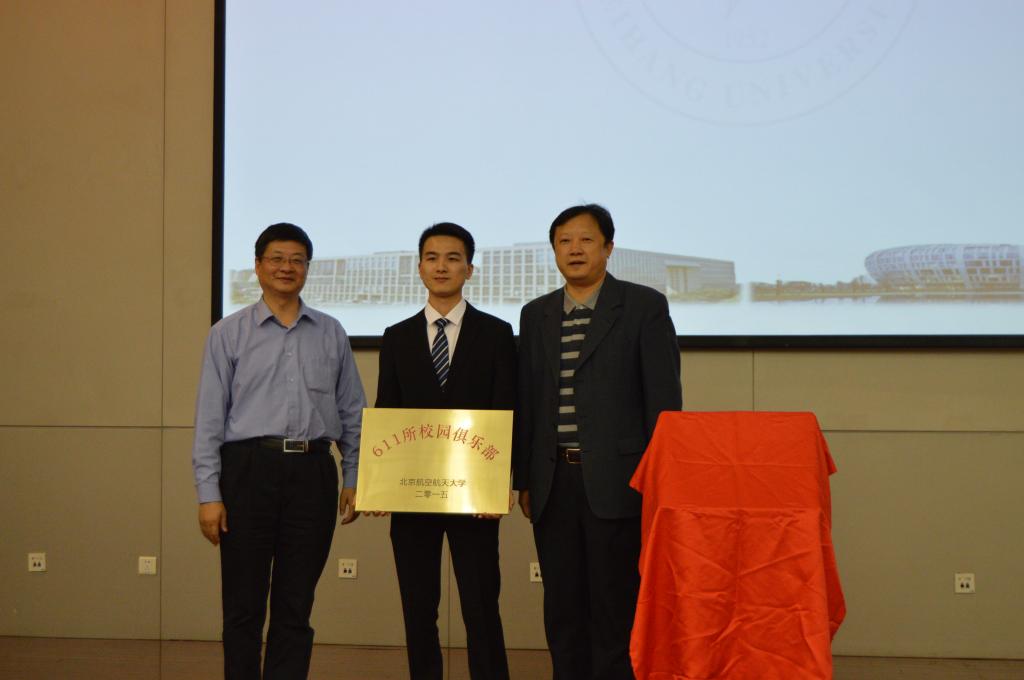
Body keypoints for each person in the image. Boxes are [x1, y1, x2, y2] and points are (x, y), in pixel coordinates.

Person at [513, 204, 682, 680]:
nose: (575, 250)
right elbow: (528, 400)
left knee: (614, 606)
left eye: (586, 240)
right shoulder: (536, 314)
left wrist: (658, 479)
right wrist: (524, 479)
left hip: (619, 482)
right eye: (564, 241)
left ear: (608, 247)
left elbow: (664, 402)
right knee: (562, 607)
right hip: (553, 483)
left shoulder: (643, 306)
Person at [192, 222, 366, 680]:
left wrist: (354, 477)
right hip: (247, 472)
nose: (286, 268)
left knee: (296, 603)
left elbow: (353, 412)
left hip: (313, 473)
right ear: (257, 266)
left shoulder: (330, 332)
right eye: (276, 259)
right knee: (243, 605)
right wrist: (209, 494)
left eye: (296, 260)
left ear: (307, 268)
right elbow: (209, 420)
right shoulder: (227, 334)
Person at [374, 222, 515, 680]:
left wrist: (502, 484)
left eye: (453, 258)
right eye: (432, 258)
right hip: (411, 495)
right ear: (419, 268)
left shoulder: (497, 333)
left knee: (481, 605)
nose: (441, 266)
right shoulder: (396, 336)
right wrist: (379, 485)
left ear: (469, 269)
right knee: (418, 608)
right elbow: (387, 411)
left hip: (475, 497)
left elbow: (506, 410)